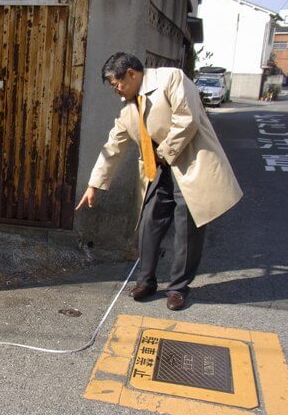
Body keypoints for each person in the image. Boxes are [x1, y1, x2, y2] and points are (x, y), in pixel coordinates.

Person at [75, 52, 242, 310]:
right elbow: (113, 146)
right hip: (160, 169)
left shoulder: (171, 78)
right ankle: (146, 280)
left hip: (190, 162)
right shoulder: (128, 109)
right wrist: (93, 184)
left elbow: (188, 119)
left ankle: (178, 288)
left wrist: (163, 153)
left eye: (117, 84)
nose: (116, 90)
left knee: (187, 227)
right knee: (150, 221)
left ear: (131, 73)